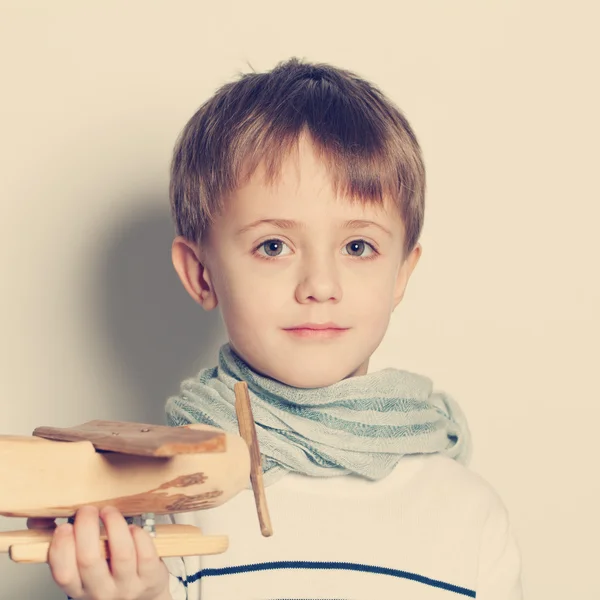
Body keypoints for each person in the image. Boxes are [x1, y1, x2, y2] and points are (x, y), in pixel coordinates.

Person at [47, 58, 523, 600]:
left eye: (358, 246)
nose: (320, 285)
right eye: (273, 246)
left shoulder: (470, 518)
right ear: (201, 275)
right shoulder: (156, 514)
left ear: (401, 275)